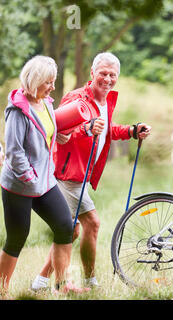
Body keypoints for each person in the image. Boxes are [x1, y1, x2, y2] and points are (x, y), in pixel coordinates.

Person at [31, 52, 151, 291]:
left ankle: (41, 281)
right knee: (92, 223)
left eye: (112, 75)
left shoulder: (106, 101)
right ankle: (89, 280)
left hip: (82, 176)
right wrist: (85, 129)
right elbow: (58, 132)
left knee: (72, 230)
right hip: (66, 174)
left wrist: (131, 130)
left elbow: (105, 131)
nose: (107, 79)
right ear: (92, 74)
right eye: (103, 73)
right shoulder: (76, 98)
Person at [0, 55, 87, 297]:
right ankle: (1, 290)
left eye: (53, 81)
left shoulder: (46, 103)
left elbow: (48, 131)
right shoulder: (17, 111)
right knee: (17, 238)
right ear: (34, 80)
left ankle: (62, 285)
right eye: (47, 82)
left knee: (65, 227)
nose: (52, 87)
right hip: (19, 185)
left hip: (44, 182)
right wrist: (30, 176)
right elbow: (14, 152)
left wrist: (60, 136)